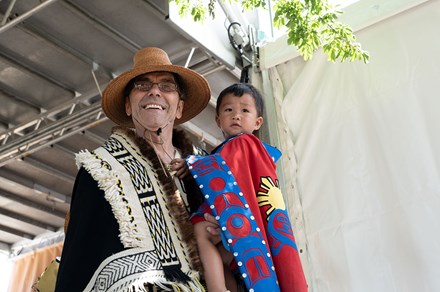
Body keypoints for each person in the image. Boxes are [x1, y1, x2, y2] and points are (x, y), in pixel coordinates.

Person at [55, 47, 212, 292]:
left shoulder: (204, 169)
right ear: (128, 105)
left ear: (179, 107)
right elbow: (80, 257)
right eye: (142, 85)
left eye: (167, 86)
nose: (154, 91)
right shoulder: (101, 169)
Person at [186, 83, 308, 292]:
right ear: (218, 120)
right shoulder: (260, 151)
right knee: (225, 261)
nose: (236, 115)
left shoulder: (242, 143)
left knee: (200, 231)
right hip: (249, 220)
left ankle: (216, 288)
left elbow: (220, 168)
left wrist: (190, 162)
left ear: (258, 122)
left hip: (236, 214)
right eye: (228, 110)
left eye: (244, 110)